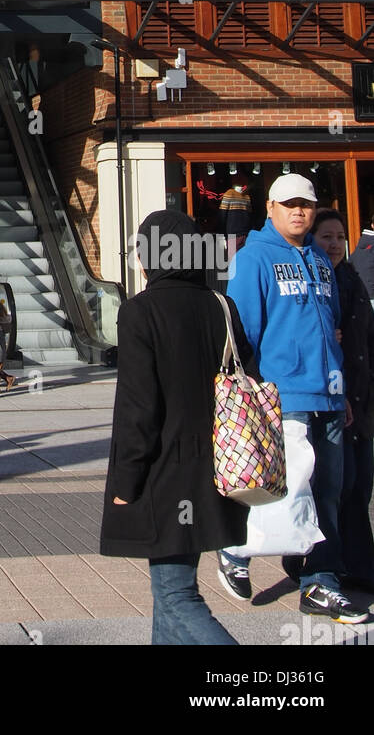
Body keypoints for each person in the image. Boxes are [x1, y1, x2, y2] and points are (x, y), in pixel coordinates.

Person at [218, 174, 369, 623]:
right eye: (290, 204)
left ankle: (321, 582)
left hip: (328, 393)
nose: (299, 211)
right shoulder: (254, 259)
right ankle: (236, 550)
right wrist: (254, 390)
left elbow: (331, 327)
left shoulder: (322, 261)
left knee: (329, 491)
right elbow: (243, 328)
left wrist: (340, 389)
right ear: (271, 208)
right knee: (279, 486)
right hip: (283, 393)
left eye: (306, 204)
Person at [101, 209, 255, 645]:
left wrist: (126, 482)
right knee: (168, 593)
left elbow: (138, 407)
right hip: (220, 467)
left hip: (164, 474)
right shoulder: (221, 307)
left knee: (176, 595)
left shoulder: (139, 313)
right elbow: (249, 376)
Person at [311, 208, 374, 591]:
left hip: (362, 399)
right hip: (332, 399)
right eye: (326, 237)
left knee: (360, 486)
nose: (334, 244)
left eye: (338, 237)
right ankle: (328, 563)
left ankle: (358, 564)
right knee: (340, 486)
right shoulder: (316, 283)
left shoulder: (352, 276)